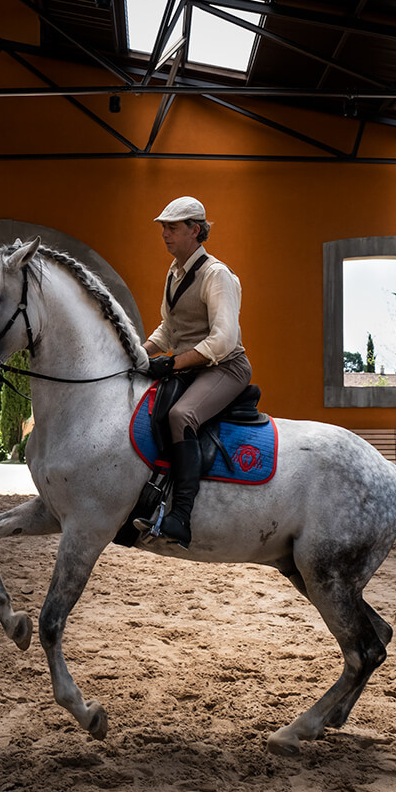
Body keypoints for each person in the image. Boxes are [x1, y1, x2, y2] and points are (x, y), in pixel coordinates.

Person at [133, 196, 251, 549]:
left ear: (195, 230)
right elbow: (168, 331)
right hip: (191, 368)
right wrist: (136, 355)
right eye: (163, 228)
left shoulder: (217, 276)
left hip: (226, 367)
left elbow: (223, 340)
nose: (165, 234)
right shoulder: (174, 273)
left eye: (172, 227)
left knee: (182, 415)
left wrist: (173, 363)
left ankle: (180, 516)